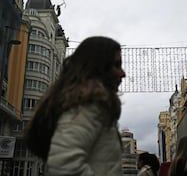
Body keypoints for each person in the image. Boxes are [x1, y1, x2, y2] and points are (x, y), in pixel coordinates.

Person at [24, 36, 126, 175]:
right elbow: (63, 165)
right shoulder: (88, 106)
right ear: (97, 67)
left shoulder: (85, 103)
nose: (123, 73)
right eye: (117, 65)